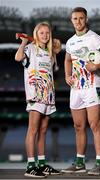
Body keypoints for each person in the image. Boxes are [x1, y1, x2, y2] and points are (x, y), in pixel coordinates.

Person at [62, 7, 100, 175]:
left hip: (92, 87)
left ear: (86, 19)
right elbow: (67, 59)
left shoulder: (95, 38)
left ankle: (99, 163)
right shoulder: (70, 41)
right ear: (71, 21)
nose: (78, 21)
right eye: (75, 18)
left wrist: (97, 66)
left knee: (94, 125)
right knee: (78, 126)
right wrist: (67, 75)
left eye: (81, 18)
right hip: (76, 88)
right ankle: (79, 163)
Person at [15, 22, 60, 178]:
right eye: (42, 33)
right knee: (33, 130)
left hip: (48, 95)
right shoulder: (31, 48)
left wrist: (55, 52)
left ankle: (41, 164)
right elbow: (18, 57)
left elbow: (52, 70)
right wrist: (24, 42)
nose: (45, 35)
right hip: (35, 94)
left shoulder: (49, 53)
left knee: (43, 130)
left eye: (47, 33)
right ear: (36, 34)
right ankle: (30, 166)